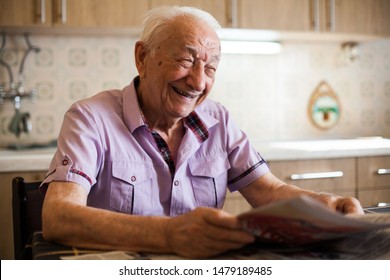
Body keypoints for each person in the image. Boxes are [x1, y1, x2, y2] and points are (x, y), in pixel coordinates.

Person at [40, 6, 364, 259]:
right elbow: (58, 218)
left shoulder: (218, 119)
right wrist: (168, 234)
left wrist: (324, 204)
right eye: (185, 60)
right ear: (142, 58)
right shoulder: (90, 118)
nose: (198, 82)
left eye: (210, 68)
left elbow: (268, 191)